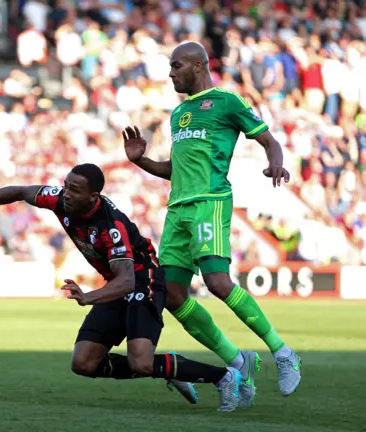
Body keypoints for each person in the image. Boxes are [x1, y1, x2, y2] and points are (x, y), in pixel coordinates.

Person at [0, 163, 245, 412]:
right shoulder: (59, 199)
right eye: (66, 186)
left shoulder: (111, 227)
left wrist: (89, 297)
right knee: (84, 363)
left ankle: (225, 377)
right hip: (119, 283)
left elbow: (126, 280)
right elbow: (19, 191)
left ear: (93, 196)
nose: (66, 194)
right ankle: (165, 367)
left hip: (143, 279)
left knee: (141, 362)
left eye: (74, 190)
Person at [122, 41, 301, 403]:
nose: (170, 73)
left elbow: (268, 139)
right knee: (172, 296)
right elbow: (174, 169)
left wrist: (276, 161)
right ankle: (238, 361)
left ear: (198, 67)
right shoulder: (178, 114)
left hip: (210, 202)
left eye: (176, 66)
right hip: (177, 208)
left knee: (218, 282)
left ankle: (283, 353)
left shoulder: (226, 102)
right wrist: (141, 161)